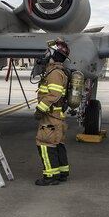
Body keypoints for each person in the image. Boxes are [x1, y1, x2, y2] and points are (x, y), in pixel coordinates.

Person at [33, 39, 70, 185]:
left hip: (51, 115)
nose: (46, 54)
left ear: (54, 55)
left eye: (49, 52)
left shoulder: (55, 73)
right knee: (57, 143)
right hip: (56, 115)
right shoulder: (57, 71)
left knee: (45, 143)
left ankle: (50, 176)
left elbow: (54, 95)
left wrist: (40, 109)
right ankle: (62, 172)